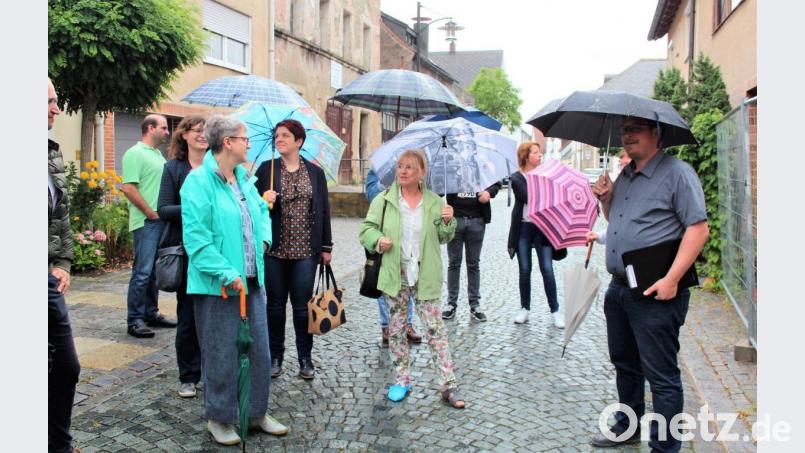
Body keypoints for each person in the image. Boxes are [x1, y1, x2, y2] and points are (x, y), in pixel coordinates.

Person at [590, 116, 709, 452]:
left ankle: (665, 447)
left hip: (657, 292)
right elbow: (619, 223)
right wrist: (606, 199)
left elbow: (698, 229)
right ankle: (627, 426)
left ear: (656, 134)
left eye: (635, 130)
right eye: (624, 131)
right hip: (620, 289)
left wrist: (672, 279)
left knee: (662, 376)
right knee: (625, 364)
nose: (627, 136)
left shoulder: (677, 174)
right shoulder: (626, 175)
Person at [181, 115, 288, 445]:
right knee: (221, 352)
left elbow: (261, 216)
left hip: (252, 282)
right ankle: (220, 417)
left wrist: (265, 242)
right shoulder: (197, 183)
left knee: (258, 348)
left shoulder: (244, 179)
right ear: (227, 142)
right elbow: (197, 240)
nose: (248, 144)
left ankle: (255, 412)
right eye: (244, 139)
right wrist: (226, 273)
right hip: (219, 287)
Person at [359, 149, 465, 408]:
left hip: (425, 272)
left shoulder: (435, 202)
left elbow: (444, 238)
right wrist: (377, 240)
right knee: (396, 330)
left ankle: (448, 386)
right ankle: (401, 381)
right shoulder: (384, 200)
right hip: (395, 273)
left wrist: (448, 222)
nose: (403, 171)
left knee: (435, 329)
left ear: (422, 172)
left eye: (409, 167)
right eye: (400, 166)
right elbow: (366, 230)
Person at [255, 119, 333, 380]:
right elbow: (253, 208)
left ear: (298, 141)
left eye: (285, 135)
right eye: (277, 136)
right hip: (275, 250)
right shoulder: (267, 170)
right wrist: (263, 200)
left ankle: (305, 358)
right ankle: (274, 356)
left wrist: (326, 246)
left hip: (305, 252)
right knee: (275, 306)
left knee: (302, 306)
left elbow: (323, 210)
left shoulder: (315, 173)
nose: (279, 139)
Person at [157, 115, 206, 398]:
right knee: (187, 317)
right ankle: (188, 375)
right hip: (186, 251)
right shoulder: (173, 168)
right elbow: (163, 209)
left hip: (214, 250)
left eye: (204, 131)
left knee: (212, 316)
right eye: (195, 130)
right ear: (183, 135)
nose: (201, 135)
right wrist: (193, 208)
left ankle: (211, 369)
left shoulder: (217, 167)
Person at [121, 114, 177, 338]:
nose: (167, 132)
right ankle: (134, 320)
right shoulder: (135, 153)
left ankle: (151, 313)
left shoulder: (157, 155)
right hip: (146, 221)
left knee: (154, 272)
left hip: (159, 220)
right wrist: (149, 212)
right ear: (150, 128)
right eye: (163, 128)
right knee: (142, 272)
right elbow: (128, 188)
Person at [48, 78, 82, 453]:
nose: (58, 109)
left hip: (46, 280)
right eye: (50, 101)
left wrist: (63, 262)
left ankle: (58, 445)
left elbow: (61, 216)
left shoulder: (50, 152)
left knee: (66, 366)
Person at [507, 141, 566, 327]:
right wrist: (545, 188)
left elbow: (553, 196)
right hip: (523, 228)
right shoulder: (517, 178)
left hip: (543, 228)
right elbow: (527, 197)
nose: (540, 155)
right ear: (526, 156)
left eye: (540, 152)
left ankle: (555, 310)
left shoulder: (545, 175)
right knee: (524, 269)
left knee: (547, 269)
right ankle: (525, 309)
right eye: (535, 152)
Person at [364, 168, 421, 345]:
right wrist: (390, 184)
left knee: (409, 279)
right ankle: (387, 325)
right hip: (385, 234)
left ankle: (407, 324)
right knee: (383, 281)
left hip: (407, 235)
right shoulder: (380, 169)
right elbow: (371, 194)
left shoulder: (414, 171)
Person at [441, 181, 501, 322]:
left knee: (473, 264)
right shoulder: (450, 166)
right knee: (454, 263)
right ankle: (451, 304)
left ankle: (475, 305)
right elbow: (437, 190)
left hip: (477, 221)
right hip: (455, 220)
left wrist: (489, 192)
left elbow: (496, 183)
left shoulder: (479, 164)